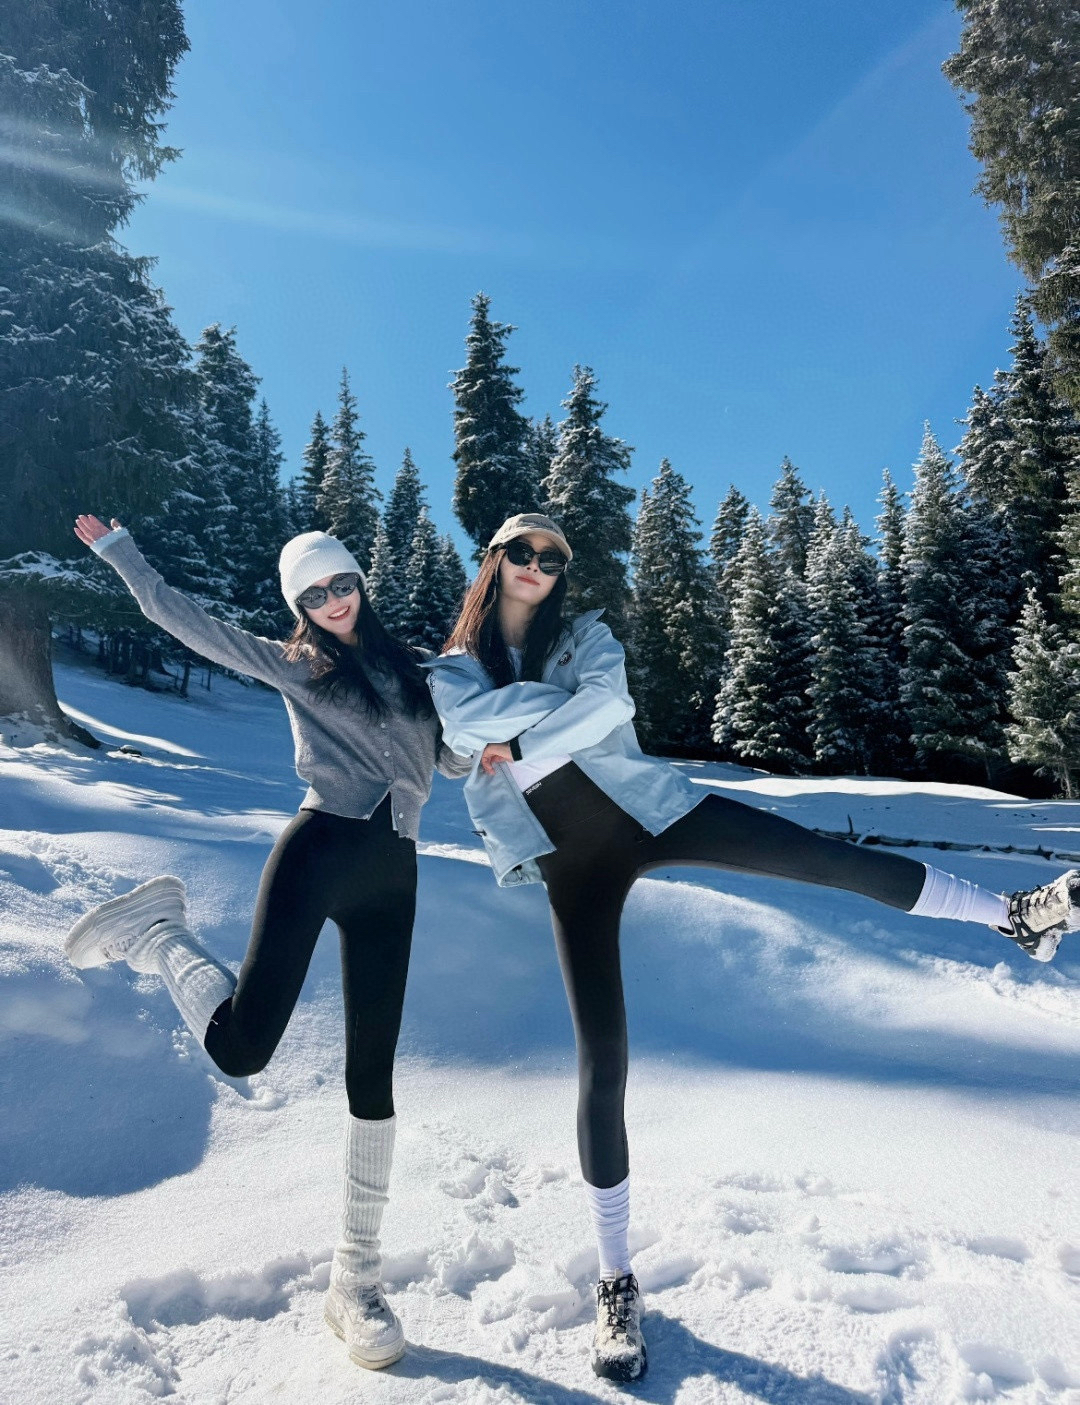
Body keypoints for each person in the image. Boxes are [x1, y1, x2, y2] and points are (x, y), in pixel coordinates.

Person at [424, 511, 1080, 1384]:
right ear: (494, 559)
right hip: (570, 860)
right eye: (522, 551)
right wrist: (544, 716)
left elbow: (608, 707)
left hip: (653, 809)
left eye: (552, 556)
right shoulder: (452, 668)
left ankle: (1015, 913)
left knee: (823, 858)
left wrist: (516, 737)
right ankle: (616, 1281)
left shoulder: (585, 637)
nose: (537, 564)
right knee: (603, 1060)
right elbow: (466, 726)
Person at [64, 514, 471, 1372]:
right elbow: (185, 620)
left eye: (342, 583)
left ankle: (355, 1284)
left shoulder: (416, 671)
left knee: (373, 1075)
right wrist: (123, 555)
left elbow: (451, 761)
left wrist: (484, 743)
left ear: (361, 582)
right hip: (316, 855)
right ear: (299, 607)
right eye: (313, 594)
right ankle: (161, 935)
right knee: (243, 1049)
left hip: (394, 876)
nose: (332, 600)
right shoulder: (295, 664)